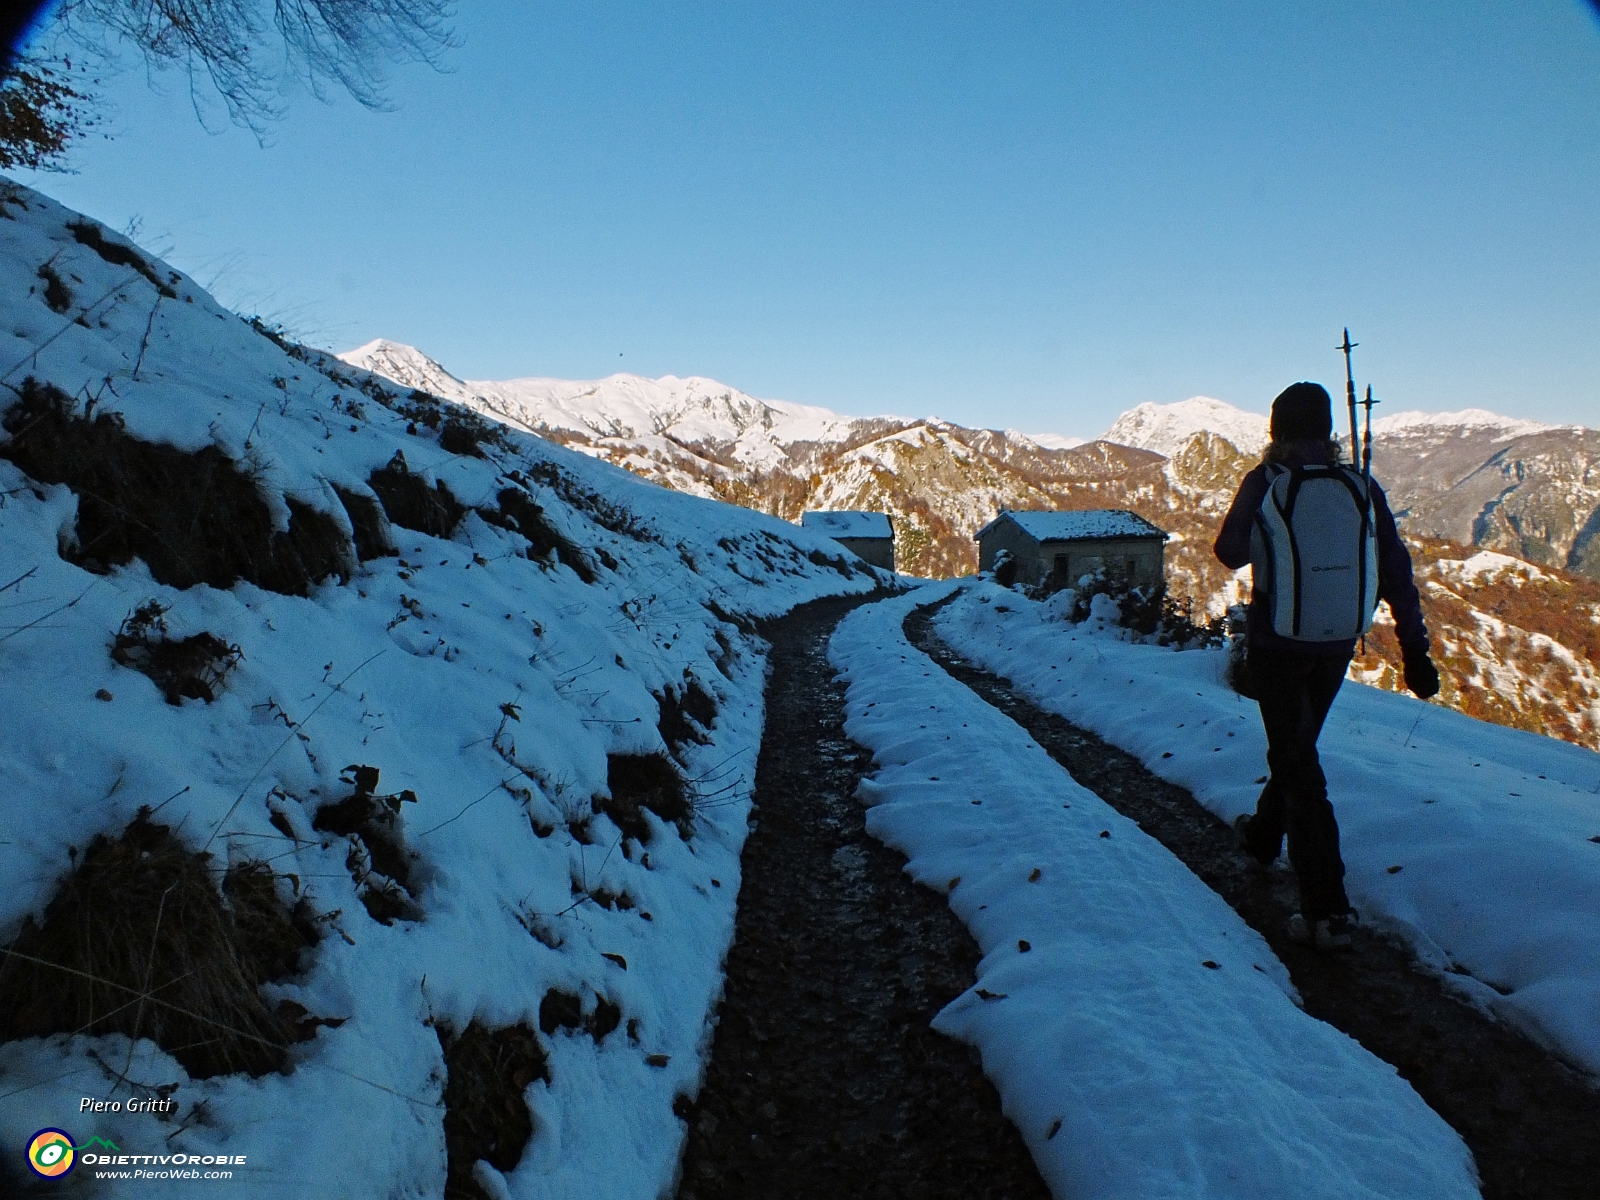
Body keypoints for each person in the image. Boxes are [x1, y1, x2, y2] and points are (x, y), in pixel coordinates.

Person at [1213, 382, 1440, 950]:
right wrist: (1416, 653)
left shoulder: (1265, 482)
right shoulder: (1361, 486)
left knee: (1299, 767)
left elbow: (1228, 552)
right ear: (1329, 430)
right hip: (1336, 646)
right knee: (1298, 752)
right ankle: (1264, 838)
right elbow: (1396, 574)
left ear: (1276, 431)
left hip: (1277, 644)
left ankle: (1328, 911)